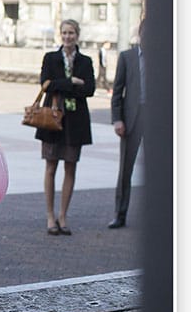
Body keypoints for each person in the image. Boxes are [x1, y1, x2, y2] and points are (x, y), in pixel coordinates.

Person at [34, 19, 96, 236]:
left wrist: (64, 84)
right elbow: (46, 83)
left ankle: (63, 215)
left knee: (71, 166)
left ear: (77, 35)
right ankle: (50, 215)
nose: (68, 36)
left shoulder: (86, 61)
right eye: (64, 32)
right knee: (51, 166)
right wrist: (72, 83)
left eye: (71, 33)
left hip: (75, 121)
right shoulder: (50, 58)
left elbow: (89, 89)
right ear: (60, 35)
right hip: (52, 118)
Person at [109, 23, 146, 229]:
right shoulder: (127, 57)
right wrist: (117, 119)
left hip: (155, 120)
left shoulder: (165, 57)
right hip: (131, 119)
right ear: (140, 35)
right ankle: (120, 214)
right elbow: (117, 91)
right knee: (125, 170)